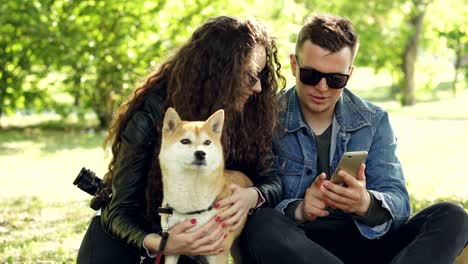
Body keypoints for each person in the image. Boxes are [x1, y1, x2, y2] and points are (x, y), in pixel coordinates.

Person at [240, 13, 468, 264]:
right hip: (299, 246)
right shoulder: (267, 117)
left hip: (366, 244)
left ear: (350, 74)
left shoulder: (373, 120)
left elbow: (400, 203)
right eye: (311, 76)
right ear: (294, 65)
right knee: (260, 224)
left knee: (453, 215)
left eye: (336, 79)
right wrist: (300, 209)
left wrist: (366, 203)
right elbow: (258, 196)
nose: (322, 88)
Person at [77, 16, 285, 264]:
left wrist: (252, 195)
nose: (259, 87)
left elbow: (271, 180)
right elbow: (119, 211)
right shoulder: (152, 111)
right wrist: (163, 243)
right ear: (221, 73)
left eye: (262, 75)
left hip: (187, 247)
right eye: (251, 76)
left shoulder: (247, 114)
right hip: (128, 239)